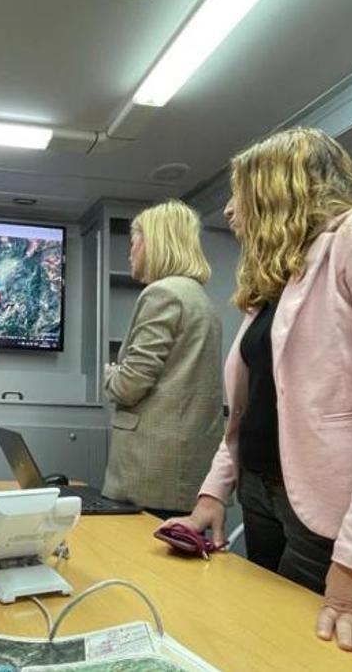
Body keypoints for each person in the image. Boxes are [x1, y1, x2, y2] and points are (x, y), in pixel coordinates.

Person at [165, 127, 352, 656]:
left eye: (240, 194)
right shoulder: (280, 278)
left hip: (345, 512)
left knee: (316, 653)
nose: (232, 212)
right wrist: (213, 493)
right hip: (266, 492)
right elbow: (251, 408)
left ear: (277, 189)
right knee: (265, 641)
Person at [102, 200, 223, 519]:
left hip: (151, 472)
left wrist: (110, 375)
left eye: (134, 242)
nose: (130, 252)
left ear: (155, 243)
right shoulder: (199, 298)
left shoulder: (162, 294)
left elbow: (128, 386)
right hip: (183, 471)